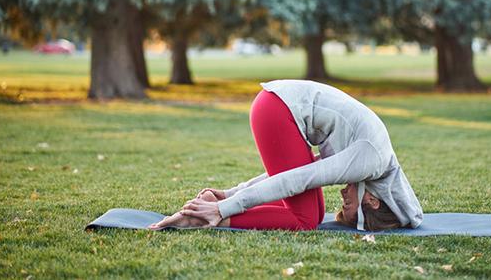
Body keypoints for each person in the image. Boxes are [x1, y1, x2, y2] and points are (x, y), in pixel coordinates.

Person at [149, 79, 423, 231]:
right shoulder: (369, 160)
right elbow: (297, 178)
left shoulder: (375, 159)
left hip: (279, 104)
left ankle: (214, 209)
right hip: (278, 109)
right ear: (373, 201)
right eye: (351, 208)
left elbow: (293, 171)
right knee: (304, 221)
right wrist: (224, 208)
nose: (342, 197)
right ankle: (203, 217)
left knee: (314, 214)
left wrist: (230, 193)